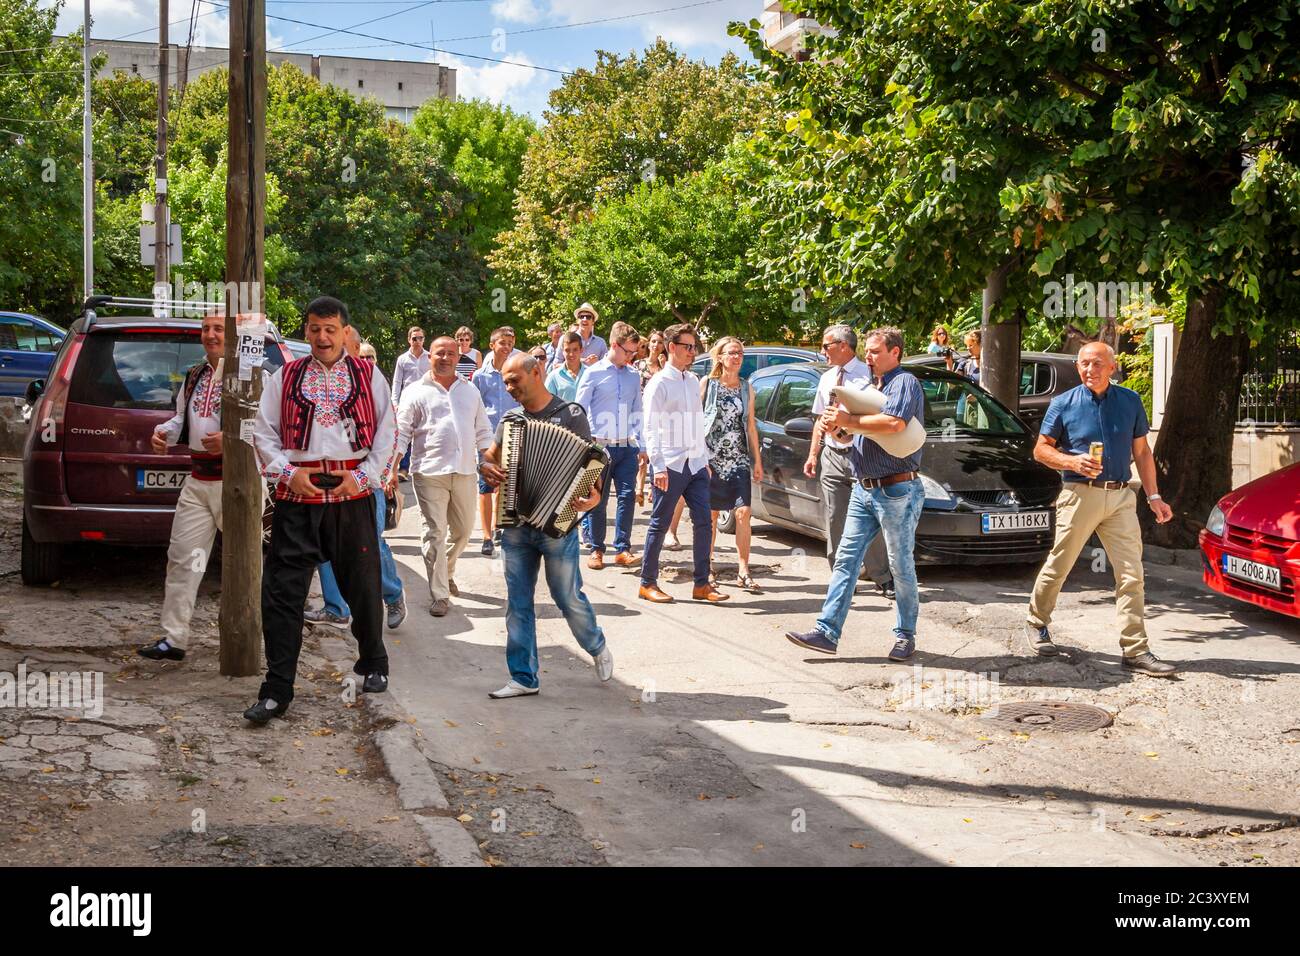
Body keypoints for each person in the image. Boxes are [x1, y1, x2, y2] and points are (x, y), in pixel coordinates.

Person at [247, 296, 396, 723]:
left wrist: (363, 477)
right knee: (281, 594)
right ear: (307, 331)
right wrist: (286, 473)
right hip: (299, 498)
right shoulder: (286, 375)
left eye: (331, 329)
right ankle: (277, 691)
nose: (322, 337)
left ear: (345, 333)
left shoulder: (369, 376)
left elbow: (387, 431)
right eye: (314, 329)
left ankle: (373, 661)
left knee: (364, 588)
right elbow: (263, 432)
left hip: (352, 495)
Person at [1023, 341, 1176, 675]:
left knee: (1132, 573)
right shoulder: (1063, 403)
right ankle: (1037, 622)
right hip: (1079, 494)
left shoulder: (1130, 401)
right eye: (1083, 364)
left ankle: (1135, 649)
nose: (1088, 370)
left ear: (1112, 366)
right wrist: (1071, 461)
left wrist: (1154, 497)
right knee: (1060, 563)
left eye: (1095, 364)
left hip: (1121, 496)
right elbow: (1040, 450)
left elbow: (1142, 453)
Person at [785, 327, 926, 661]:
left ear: (896, 353)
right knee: (846, 561)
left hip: (897, 489)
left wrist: (851, 421)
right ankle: (826, 632)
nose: (870, 357)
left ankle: (905, 635)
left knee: (900, 566)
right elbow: (855, 439)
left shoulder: (904, 383)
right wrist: (841, 430)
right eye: (869, 351)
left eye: (876, 351)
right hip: (865, 488)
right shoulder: (869, 387)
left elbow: (894, 425)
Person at [477, 354, 613, 699]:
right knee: (517, 601)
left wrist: (593, 499)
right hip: (516, 523)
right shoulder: (510, 420)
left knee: (566, 596)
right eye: (505, 382)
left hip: (558, 524)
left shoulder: (571, 414)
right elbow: (490, 456)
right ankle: (524, 677)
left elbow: (592, 465)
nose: (508, 389)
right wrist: (485, 468)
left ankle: (596, 645)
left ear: (536, 372)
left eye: (513, 380)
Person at [139, 312, 249, 661]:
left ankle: (251, 642)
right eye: (206, 329)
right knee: (183, 559)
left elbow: (268, 428)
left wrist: (231, 441)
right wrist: (164, 434)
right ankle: (174, 639)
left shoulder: (248, 374)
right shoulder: (195, 374)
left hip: (238, 485)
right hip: (198, 480)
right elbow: (183, 417)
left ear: (232, 335)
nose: (211, 335)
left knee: (247, 565)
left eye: (218, 329)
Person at [305, 325, 407, 633]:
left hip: (364, 479)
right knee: (325, 542)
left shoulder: (371, 381)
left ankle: (392, 593)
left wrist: (384, 472)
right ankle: (337, 608)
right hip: (325, 479)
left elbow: (390, 434)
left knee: (369, 543)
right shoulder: (312, 379)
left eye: (346, 345)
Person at [394, 335, 493, 616]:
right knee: (435, 532)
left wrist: (487, 460)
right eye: (440, 353)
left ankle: (445, 571)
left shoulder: (469, 390)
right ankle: (439, 593)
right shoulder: (414, 391)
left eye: (451, 353)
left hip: (464, 470)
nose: (446, 358)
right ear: (429, 357)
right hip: (428, 472)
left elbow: (483, 430)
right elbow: (402, 433)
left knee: (462, 532)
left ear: (458, 358)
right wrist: (392, 466)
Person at [638, 323, 728, 604]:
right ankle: (647, 583)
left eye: (694, 347)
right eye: (688, 347)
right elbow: (650, 427)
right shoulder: (658, 384)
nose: (693, 352)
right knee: (659, 524)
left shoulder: (692, 380)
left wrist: (704, 459)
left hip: (696, 463)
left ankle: (702, 584)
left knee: (704, 522)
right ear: (672, 348)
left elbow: (697, 422)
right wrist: (659, 466)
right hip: (671, 464)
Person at [803, 324, 895, 598]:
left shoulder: (868, 374)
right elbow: (820, 419)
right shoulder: (827, 378)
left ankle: (882, 576)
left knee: (871, 515)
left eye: (826, 345)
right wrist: (813, 454)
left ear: (844, 346)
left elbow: (881, 414)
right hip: (831, 456)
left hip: (863, 455)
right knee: (835, 517)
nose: (822, 351)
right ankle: (842, 577)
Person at [575, 321, 645, 571]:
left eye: (634, 353)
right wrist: (583, 443)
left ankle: (623, 549)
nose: (631, 356)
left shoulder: (633, 375)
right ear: (614, 345)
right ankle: (596, 549)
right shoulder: (593, 372)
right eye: (628, 351)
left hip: (626, 446)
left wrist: (643, 445)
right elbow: (579, 409)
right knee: (598, 500)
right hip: (599, 446)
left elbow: (638, 410)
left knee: (627, 497)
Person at [702, 337, 764, 592]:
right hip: (711, 458)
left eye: (740, 353)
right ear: (720, 357)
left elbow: (750, 425)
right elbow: (696, 422)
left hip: (737, 458)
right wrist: (698, 457)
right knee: (712, 516)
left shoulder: (747, 388)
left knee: (743, 512)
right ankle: (707, 568)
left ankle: (743, 570)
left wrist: (757, 460)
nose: (737, 357)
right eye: (732, 353)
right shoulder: (708, 384)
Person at [473, 326, 522, 556]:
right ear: (492, 345)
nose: (507, 346)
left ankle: (498, 526)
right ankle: (486, 536)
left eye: (511, 342)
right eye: (503, 342)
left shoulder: (517, 371)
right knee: (485, 487)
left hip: (514, 435)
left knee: (506, 483)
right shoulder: (480, 376)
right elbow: (474, 407)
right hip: (488, 438)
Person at [391, 326, 430, 481]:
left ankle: (424, 465)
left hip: (426, 400)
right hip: (407, 400)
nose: (417, 341)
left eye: (420, 338)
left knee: (425, 432)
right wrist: (395, 402)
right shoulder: (403, 359)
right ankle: (404, 469)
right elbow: (397, 381)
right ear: (409, 339)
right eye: (415, 338)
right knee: (405, 434)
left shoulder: (430, 357)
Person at [634, 330, 667, 507]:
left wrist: (663, 367)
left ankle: (651, 489)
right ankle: (640, 488)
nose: (655, 345)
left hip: (660, 416)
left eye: (660, 342)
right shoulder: (638, 365)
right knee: (642, 453)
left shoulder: (665, 367)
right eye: (653, 341)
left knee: (654, 452)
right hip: (640, 414)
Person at [545, 331, 586, 402]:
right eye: (567, 350)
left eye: (575, 350)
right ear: (562, 351)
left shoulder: (590, 373)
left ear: (581, 350)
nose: (571, 354)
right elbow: (547, 404)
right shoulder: (554, 377)